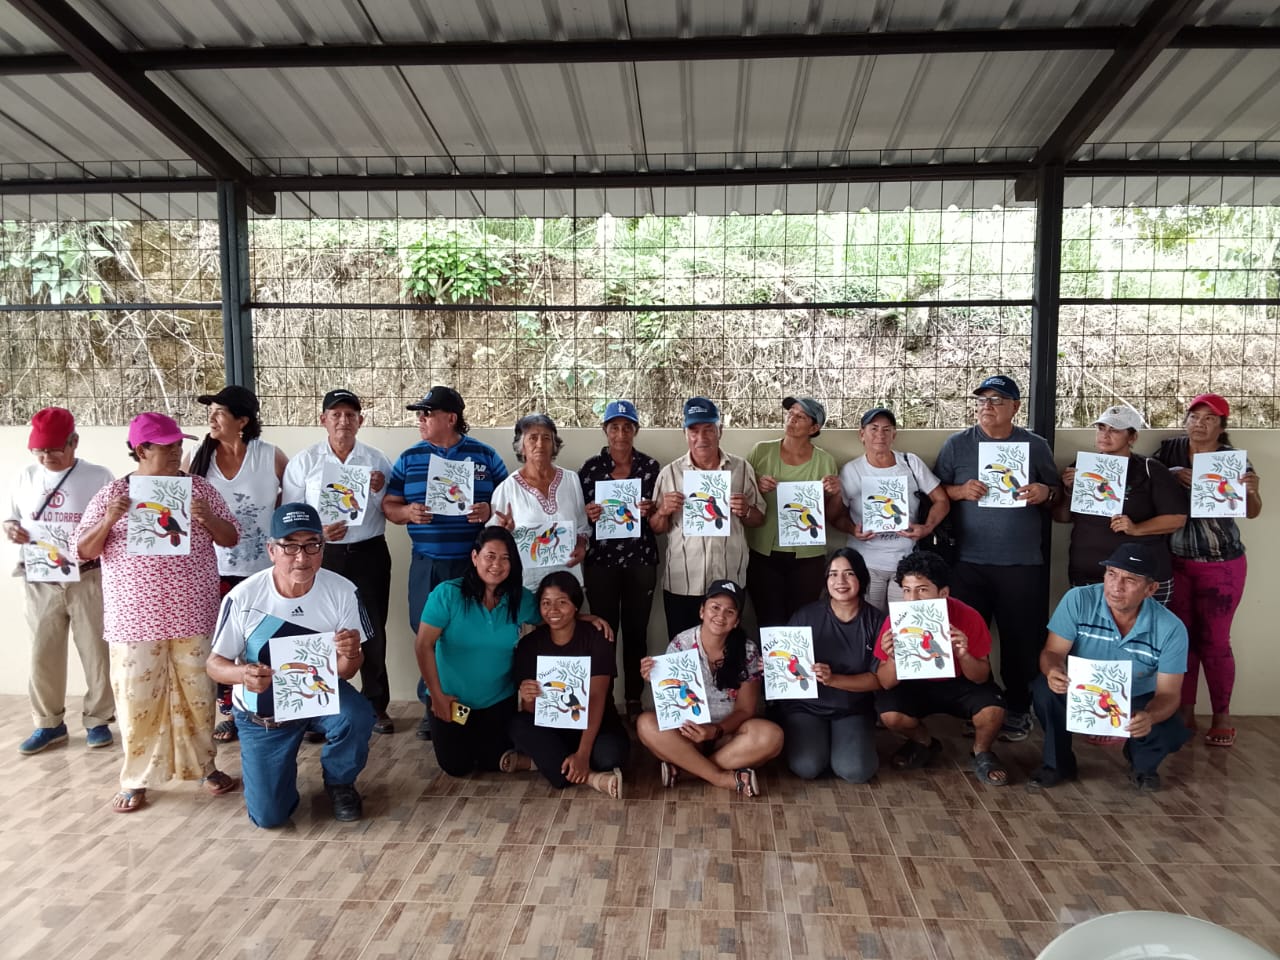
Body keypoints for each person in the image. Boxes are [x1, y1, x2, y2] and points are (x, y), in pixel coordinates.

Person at [76, 412, 241, 813]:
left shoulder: (198, 489)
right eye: (166, 447)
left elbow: (231, 537)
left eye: (178, 445)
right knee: (137, 700)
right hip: (134, 618)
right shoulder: (113, 494)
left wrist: (207, 517)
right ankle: (136, 779)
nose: (175, 452)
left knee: (198, 695)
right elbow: (82, 551)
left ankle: (204, 767)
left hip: (193, 613)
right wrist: (111, 518)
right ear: (141, 450)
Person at [207, 503, 376, 826]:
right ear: (271, 550)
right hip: (264, 712)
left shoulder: (342, 591)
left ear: (323, 548)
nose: (302, 557)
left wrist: (352, 653)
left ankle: (340, 781)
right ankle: (278, 780)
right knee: (269, 817)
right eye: (290, 547)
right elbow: (214, 665)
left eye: (312, 545)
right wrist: (243, 674)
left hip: (318, 695)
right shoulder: (243, 597)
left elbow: (345, 671)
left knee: (356, 715)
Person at [933, 374, 1061, 742]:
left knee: (1021, 642)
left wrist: (1044, 492)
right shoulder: (957, 444)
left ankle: (1019, 709)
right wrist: (960, 490)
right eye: (982, 400)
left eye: (997, 400)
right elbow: (935, 490)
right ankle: (981, 707)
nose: (987, 406)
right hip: (968, 563)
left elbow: (1057, 494)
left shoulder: (1035, 446)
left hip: (1022, 563)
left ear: (1015, 407)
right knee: (970, 641)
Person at [383, 385, 508, 739]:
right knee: (427, 634)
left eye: (427, 414)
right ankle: (432, 705)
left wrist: (489, 511)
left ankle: (473, 706)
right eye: (419, 414)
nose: (420, 420)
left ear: (451, 418)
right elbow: (389, 506)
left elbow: (510, 499)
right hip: (428, 564)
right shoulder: (409, 458)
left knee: (469, 635)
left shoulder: (485, 456)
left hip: (475, 567)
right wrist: (407, 512)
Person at [1030, 542, 1191, 791]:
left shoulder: (1171, 628)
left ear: (1150, 589)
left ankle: (1142, 766)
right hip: (1082, 690)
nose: (1116, 586)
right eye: (1112, 574)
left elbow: (1169, 694)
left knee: (1172, 729)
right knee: (1044, 690)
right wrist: (1053, 671)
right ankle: (1057, 765)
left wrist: (1149, 716)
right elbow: (1052, 652)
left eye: (1130, 580)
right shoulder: (1079, 599)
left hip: (1137, 699)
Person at [1152, 393, 1263, 748]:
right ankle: (1184, 711)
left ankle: (1222, 716)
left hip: (1221, 563)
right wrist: (1172, 474)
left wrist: (1252, 492)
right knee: (1179, 639)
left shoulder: (1233, 460)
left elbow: (1252, 512)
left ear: (1221, 426)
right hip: (1174, 561)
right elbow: (1146, 481)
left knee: (1215, 641)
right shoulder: (1168, 452)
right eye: (1194, 417)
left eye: (1209, 419)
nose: (1199, 424)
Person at [282, 389, 395, 735]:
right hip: (322, 554)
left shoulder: (377, 461)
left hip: (369, 552)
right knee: (320, 628)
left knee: (372, 629)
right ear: (323, 420)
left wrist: (379, 488)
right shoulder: (305, 462)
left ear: (360, 421)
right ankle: (320, 707)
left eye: (350, 415)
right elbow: (290, 514)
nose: (343, 421)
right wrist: (318, 532)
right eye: (336, 414)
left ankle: (376, 705)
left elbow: (392, 507)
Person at [6, 407, 116, 754]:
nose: (46, 457)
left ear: (74, 442)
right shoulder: (25, 477)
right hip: (39, 578)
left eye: (54, 449)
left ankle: (98, 719)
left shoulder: (98, 476)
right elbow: (11, 518)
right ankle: (48, 723)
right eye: (39, 451)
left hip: (87, 576)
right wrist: (11, 529)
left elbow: (112, 526)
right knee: (42, 654)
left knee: (96, 652)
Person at [187, 384, 286, 743]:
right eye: (210, 413)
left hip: (264, 569)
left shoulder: (269, 456)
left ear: (242, 421)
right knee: (223, 644)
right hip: (212, 569)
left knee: (263, 641)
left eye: (220, 413)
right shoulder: (196, 459)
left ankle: (275, 704)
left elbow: (292, 502)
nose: (212, 419)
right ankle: (230, 713)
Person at [873, 551, 1010, 786]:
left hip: (959, 681)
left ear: (943, 593)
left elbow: (981, 677)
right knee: (889, 715)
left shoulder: (968, 616)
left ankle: (981, 751)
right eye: (907, 590)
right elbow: (885, 682)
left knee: (993, 710)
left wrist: (964, 654)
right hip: (914, 682)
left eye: (922, 590)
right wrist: (894, 658)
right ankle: (923, 742)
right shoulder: (895, 621)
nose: (913, 599)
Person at [635, 580, 782, 797]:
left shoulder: (748, 650)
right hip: (687, 735)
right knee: (646, 724)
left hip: (728, 737)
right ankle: (720, 777)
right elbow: (671, 704)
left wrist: (715, 730)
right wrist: (653, 678)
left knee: (772, 736)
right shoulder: (680, 644)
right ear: (702, 611)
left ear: (736, 621)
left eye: (729, 611)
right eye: (715, 607)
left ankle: (687, 771)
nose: (720, 616)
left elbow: (745, 710)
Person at [505, 571, 630, 798]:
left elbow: (596, 698)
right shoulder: (529, 645)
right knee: (518, 725)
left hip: (596, 723)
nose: (553, 610)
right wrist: (528, 696)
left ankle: (545, 763)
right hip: (553, 728)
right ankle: (591, 778)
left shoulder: (596, 637)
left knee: (610, 757)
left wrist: (583, 753)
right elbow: (532, 712)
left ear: (575, 606)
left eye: (562, 602)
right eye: (546, 603)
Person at [650, 397, 766, 637]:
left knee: (729, 650)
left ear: (719, 431)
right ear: (685, 433)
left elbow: (758, 519)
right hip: (683, 582)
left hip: (729, 578)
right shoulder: (669, 473)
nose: (701, 437)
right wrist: (662, 511)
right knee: (683, 651)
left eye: (708, 429)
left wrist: (746, 509)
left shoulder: (742, 468)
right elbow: (657, 528)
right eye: (693, 430)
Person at [578, 400, 660, 723]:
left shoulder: (651, 467)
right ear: (605, 430)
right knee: (604, 633)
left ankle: (633, 699)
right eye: (615, 427)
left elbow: (661, 515)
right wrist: (589, 513)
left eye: (627, 427)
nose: (621, 433)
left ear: (635, 430)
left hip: (641, 560)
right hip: (601, 563)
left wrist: (651, 510)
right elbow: (578, 516)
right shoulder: (589, 469)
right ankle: (606, 701)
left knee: (637, 632)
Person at [1054, 404, 1184, 603]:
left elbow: (1177, 519)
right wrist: (1068, 490)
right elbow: (1061, 518)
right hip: (1087, 574)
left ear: (1132, 437)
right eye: (1101, 428)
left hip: (1139, 579)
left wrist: (1136, 528)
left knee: (1142, 624)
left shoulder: (1150, 469)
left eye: (1114, 430)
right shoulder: (1082, 466)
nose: (1105, 435)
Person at [774, 549, 881, 783]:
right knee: (806, 767)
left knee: (855, 771)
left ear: (861, 578)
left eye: (849, 573)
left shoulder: (876, 621)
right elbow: (785, 664)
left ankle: (845, 744)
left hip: (852, 707)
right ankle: (820, 743)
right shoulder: (806, 615)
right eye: (833, 574)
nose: (840, 581)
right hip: (807, 706)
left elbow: (878, 680)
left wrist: (834, 680)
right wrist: (772, 666)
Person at [834, 406, 950, 610]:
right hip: (866, 562)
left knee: (905, 623)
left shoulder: (910, 463)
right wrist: (852, 529)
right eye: (874, 428)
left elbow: (942, 500)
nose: (880, 434)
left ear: (894, 435)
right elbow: (835, 517)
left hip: (906, 563)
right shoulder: (852, 470)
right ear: (862, 434)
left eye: (886, 429)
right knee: (870, 622)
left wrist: (926, 528)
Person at [745, 396, 843, 626]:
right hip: (764, 552)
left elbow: (829, 515)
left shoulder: (825, 461)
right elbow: (741, 493)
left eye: (801, 416)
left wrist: (836, 493)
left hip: (808, 556)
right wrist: (756, 485)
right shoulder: (761, 451)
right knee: (768, 620)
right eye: (790, 413)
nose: (792, 419)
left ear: (814, 428)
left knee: (802, 621)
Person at [489, 414, 589, 592]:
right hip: (527, 583)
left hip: (567, 580)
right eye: (533, 438)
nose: (540, 444)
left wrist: (581, 546)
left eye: (546, 438)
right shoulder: (508, 488)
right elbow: (492, 539)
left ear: (554, 445)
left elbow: (582, 525)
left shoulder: (571, 480)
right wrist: (505, 531)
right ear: (521, 447)